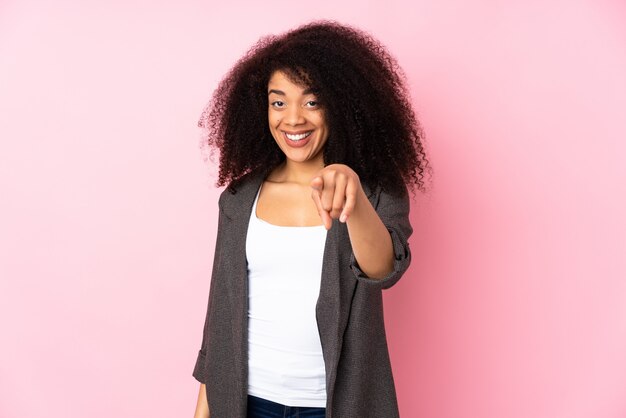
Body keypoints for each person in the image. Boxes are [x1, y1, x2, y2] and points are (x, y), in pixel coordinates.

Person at [192, 20, 430, 418]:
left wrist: (352, 199)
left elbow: (384, 269)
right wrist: (202, 410)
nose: (293, 118)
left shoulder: (372, 191)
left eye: (312, 101)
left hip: (333, 405)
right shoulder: (238, 200)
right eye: (278, 101)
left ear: (340, 105)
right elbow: (220, 317)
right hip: (246, 402)